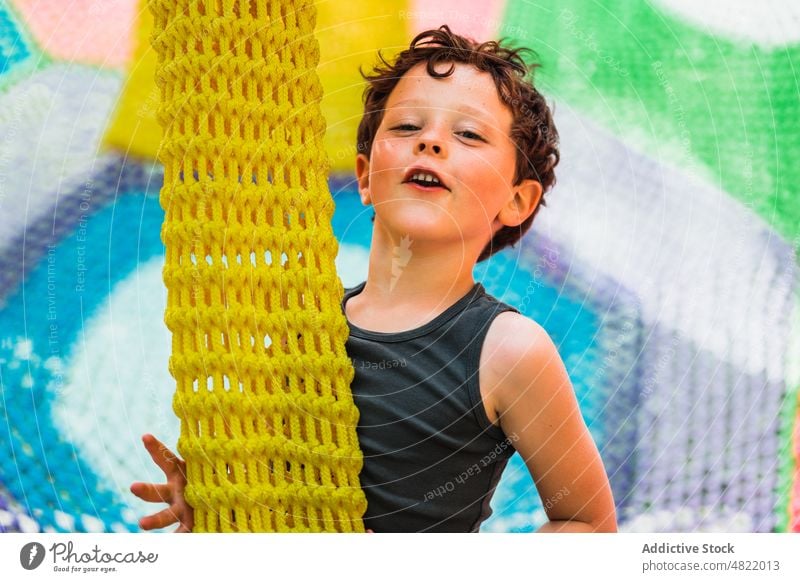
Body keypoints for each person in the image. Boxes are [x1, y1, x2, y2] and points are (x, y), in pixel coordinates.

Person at [131, 24, 617, 533]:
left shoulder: (508, 350)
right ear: (364, 176)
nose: (430, 141)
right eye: (406, 127)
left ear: (517, 200)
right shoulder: (303, 334)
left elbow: (588, 525)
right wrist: (217, 509)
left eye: (468, 134)